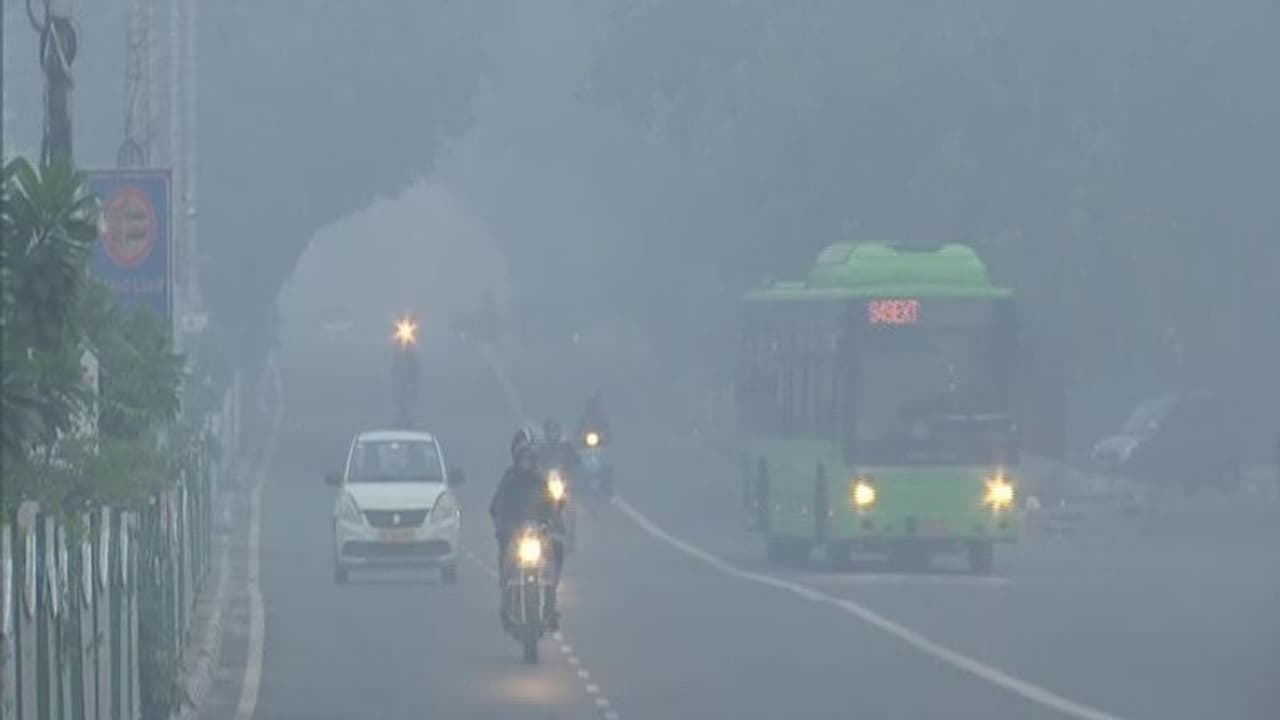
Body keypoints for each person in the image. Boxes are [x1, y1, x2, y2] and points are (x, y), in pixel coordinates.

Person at [489, 427, 564, 629]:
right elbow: (496, 504)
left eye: (529, 458)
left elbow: (552, 503)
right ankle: (506, 603)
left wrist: (550, 520)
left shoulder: (540, 480)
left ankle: (550, 605)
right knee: (506, 553)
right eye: (523, 457)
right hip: (514, 533)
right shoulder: (509, 479)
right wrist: (502, 522)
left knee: (554, 553)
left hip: (538, 533)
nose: (526, 462)